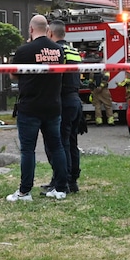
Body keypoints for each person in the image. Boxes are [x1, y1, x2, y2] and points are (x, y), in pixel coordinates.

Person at [7, 14, 69, 201]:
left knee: (28, 150)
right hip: (53, 106)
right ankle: (60, 188)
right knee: (57, 147)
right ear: (48, 30)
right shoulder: (59, 50)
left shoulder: (24, 50)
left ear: (31, 29)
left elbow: (12, 76)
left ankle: (25, 191)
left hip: (30, 107)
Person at [42, 20, 83, 194]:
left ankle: (61, 181)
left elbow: (52, 79)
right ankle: (73, 180)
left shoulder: (56, 52)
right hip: (75, 100)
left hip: (63, 101)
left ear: (50, 33)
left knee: (60, 143)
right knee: (72, 142)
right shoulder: (74, 51)